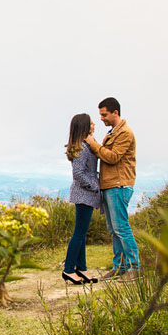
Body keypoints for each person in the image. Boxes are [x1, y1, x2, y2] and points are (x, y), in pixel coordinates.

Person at [85, 97, 139, 280]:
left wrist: (92, 143)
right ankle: (120, 266)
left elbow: (113, 157)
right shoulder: (113, 133)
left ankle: (135, 268)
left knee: (121, 227)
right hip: (110, 186)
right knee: (113, 229)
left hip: (119, 185)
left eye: (104, 114)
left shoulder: (125, 133)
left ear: (115, 112)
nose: (101, 118)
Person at [62, 113, 101, 285]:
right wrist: (94, 185)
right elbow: (78, 173)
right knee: (79, 233)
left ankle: (82, 268)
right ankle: (69, 269)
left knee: (82, 233)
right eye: (91, 123)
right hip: (84, 194)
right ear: (84, 127)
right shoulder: (82, 148)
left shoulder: (85, 145)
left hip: (86, 194)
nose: (94, 125)